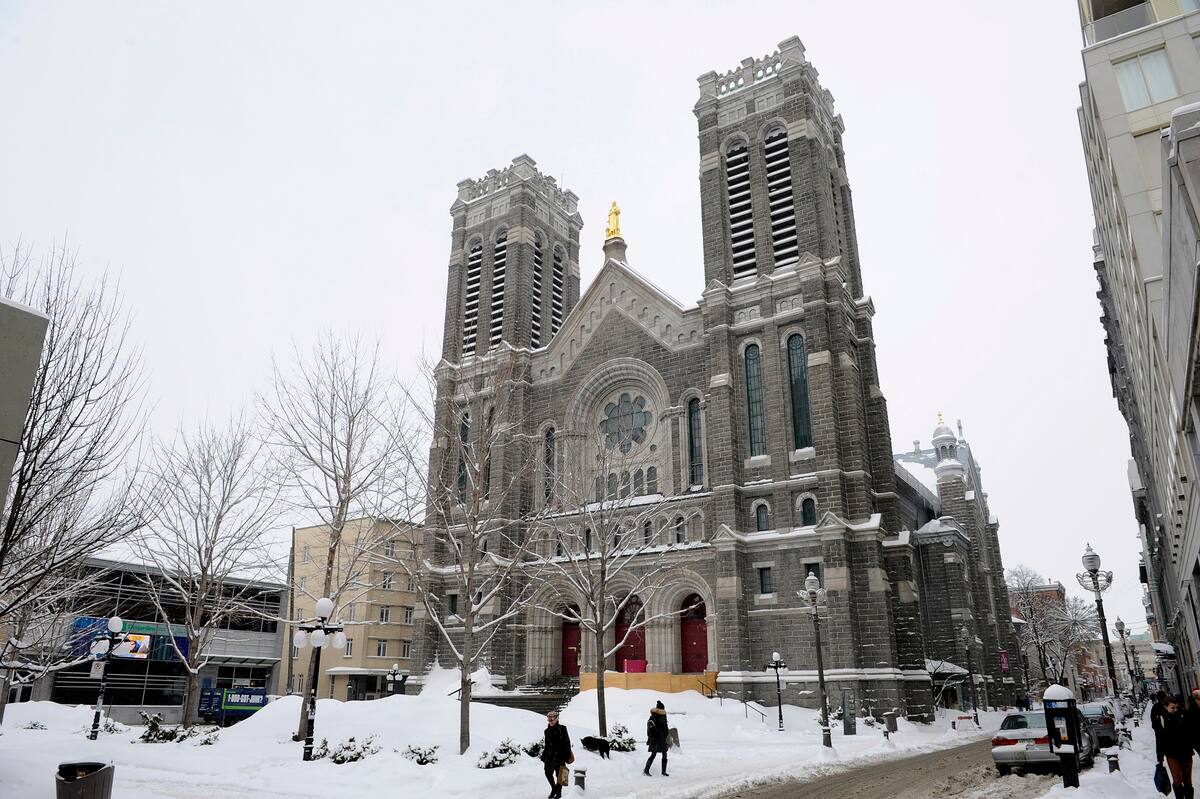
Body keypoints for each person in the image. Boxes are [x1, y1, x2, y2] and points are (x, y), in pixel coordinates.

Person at [1161, 695, 1195, 799]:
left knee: (1188, 780)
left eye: (1176, 707)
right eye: (1172, 708)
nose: (1175, 710)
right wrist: (1160, 755)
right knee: (1177, 780)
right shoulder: (1163, 719)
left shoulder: (1184, 715)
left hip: (1186, 752)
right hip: (1172, 753)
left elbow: (1192, 732)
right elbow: (1160, 738)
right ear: (1166, 707)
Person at [541, 710, 572, 799]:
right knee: (547, 772)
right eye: (549, 718)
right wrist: (544, 756)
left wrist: (567, 755)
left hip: (560, 755)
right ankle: (554, 789)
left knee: (560, 775)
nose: (550, 720)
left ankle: (558, 793)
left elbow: (567, 742)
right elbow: (547, 745)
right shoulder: (546, 731)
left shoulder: (562, 728)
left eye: (552, 718)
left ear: (556, 718)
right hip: (550, 756)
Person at [644, 700, 670, 777]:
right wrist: (664, 734)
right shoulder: (659, 717)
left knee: (658, 754)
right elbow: (665, 729)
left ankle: (661, 771)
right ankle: (648, 770)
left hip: (656, 739)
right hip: (658, 739)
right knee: (660, 754)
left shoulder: (654, 716)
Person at [1154, 690, 1169, 762]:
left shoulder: (1155, 707)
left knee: (1160, 746)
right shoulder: (1168, 706)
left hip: (1161, 733)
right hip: (1167, 732)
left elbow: (1153, 722)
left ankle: (1160, 761)